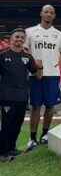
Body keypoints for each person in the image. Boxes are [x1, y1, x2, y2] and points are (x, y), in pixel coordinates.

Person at [25, 5, 61, 151]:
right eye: (46, 11)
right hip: (35, 75)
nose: (48, 14)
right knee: (35, 106)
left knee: (50, 106)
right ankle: (32, 138)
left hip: (52, 75)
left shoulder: (58, 34)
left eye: (51, 12)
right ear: (41, 13)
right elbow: (26, 53)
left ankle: (45, 134)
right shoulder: (30, 32)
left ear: (54, 16)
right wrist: (35, 67)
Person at [0, 29, 38, 162]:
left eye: (22, 38)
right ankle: (3, 152)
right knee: (6, 124)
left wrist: (41, 67)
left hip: (22, 97)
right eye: (17, 37)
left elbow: (36, 72)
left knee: (17, 124)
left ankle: (12, 148)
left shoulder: (27, 57)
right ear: (11, 38)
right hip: (7, 97)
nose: (19, 39)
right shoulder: (3, 55)